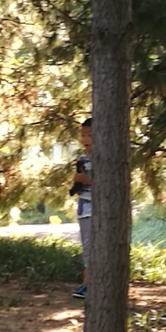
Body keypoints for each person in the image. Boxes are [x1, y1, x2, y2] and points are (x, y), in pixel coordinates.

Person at [70, 118, 92, 299]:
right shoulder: (82, 159)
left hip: (101, 209)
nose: (85, 139)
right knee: (88, 247)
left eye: (90, 135)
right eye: (83, 135)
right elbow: (77, 182)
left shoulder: (107, 157)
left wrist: (85, 179)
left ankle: (90, 284)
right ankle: (86, 283)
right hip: (86, 209)